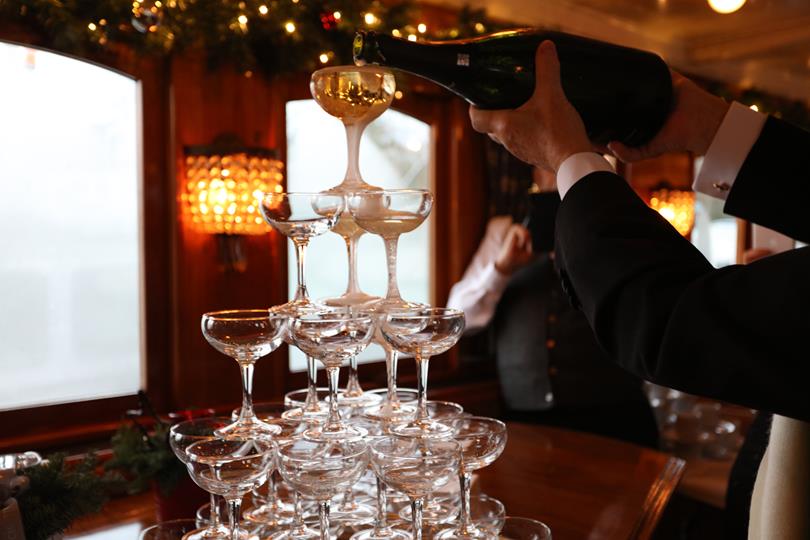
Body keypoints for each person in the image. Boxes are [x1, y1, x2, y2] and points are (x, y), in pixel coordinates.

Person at [468, 40, 810, 539]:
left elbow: (668, 316)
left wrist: (572, 158)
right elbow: (463, 314)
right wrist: (711, 125)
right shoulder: (500, 231)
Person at [448, 169, 658, 447]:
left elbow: (642, 311)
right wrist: (501, 269)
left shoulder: (615, 226)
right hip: (526, 417)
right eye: (547, 168)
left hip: (613, 411)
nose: (556, 175)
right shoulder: (502, 230)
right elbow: (458, 320)